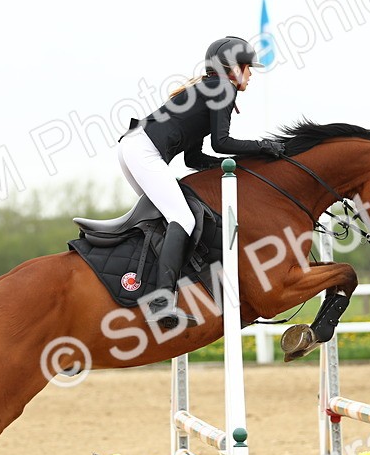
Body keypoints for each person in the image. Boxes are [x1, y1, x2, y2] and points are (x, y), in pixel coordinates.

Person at [117, 36, 285, 328]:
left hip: (135, 148)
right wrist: (263, 146)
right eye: (248, 67)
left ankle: (140, 285)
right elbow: (222, 143)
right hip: (143, 152)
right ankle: (159, 302)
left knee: (164, 222)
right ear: (233, 68)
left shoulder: (210, 88)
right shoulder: (222, 88)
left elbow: (194, 158)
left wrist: (239, 166)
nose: (251, 74)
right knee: (181, 218)